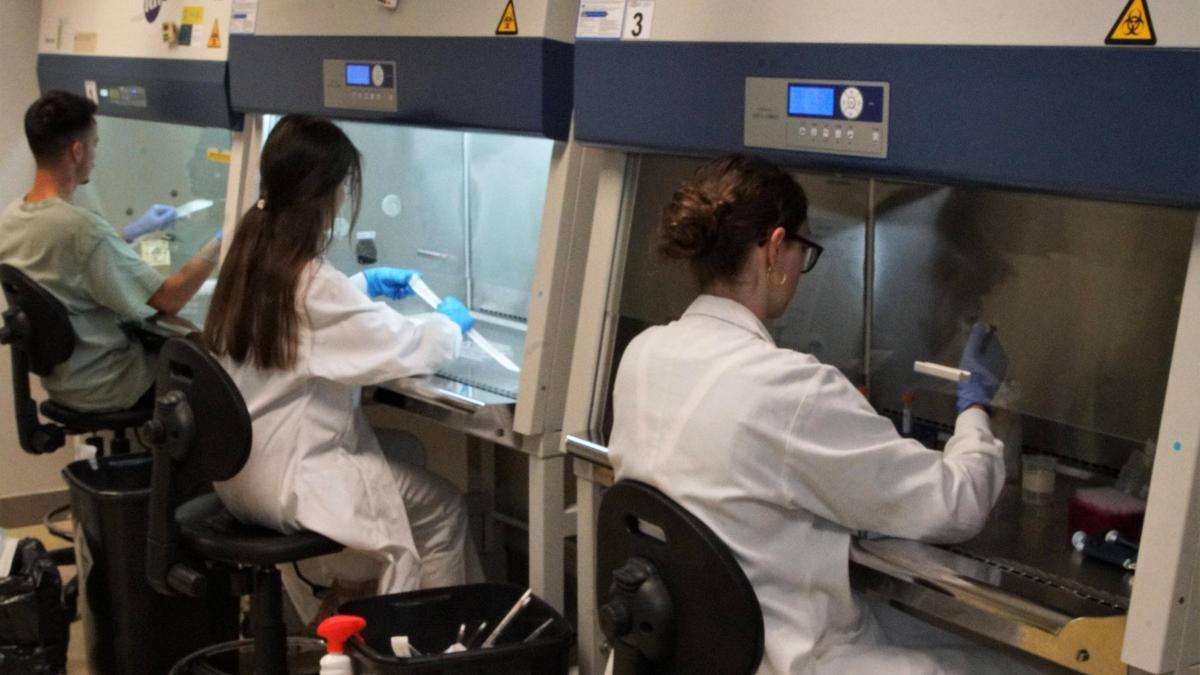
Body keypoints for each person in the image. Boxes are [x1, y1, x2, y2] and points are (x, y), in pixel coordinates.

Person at [607, 155, 1037, 674]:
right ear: (774, 249)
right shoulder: (791, 389)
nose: (801, 272)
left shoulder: (642, 355)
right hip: (786, 658)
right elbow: (956, 503)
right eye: (803, 252)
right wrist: (975, 406)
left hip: (687, 652)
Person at [203, 114, 481, 619]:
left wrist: (360, 287)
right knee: (444, 510)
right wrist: (448, 325)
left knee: (407, 450)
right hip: (291, 481)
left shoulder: (251, 255)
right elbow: (406, 346)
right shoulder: (312, 284)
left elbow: (302, 329)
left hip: (239, 473)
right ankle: (434, 646)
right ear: (327, 193)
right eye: (344, 187)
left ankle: (349, 607)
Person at [0, 90, 220, 413]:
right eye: (95, 144)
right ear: (77, 151)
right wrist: (222, 240)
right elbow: (170, 298)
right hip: (113, 385)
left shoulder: (12, 218)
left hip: (66, 382)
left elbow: (65, 259)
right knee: (214, 380)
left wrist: (133, 231)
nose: (94, 156)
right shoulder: (81, 229)